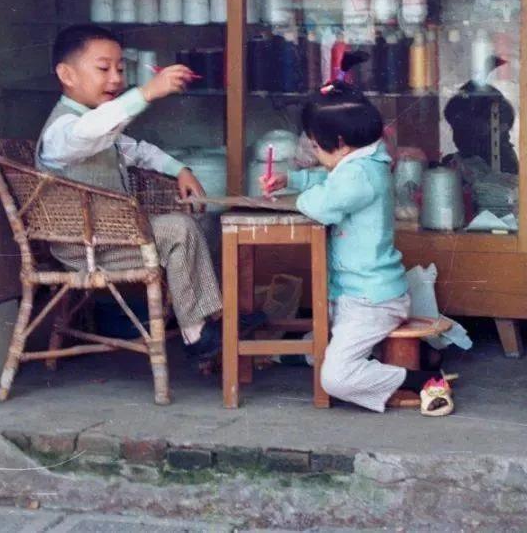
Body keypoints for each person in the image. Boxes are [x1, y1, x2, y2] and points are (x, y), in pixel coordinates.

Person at [37, 24, 260, 361]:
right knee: (178, 228)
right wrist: (146, 93)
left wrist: (179, 169)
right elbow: (90, 131)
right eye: (103, 68)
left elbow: (137, 150)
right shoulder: (64, 130)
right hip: (85, 245)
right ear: (66, 74)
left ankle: (210, 319)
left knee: (196, 222)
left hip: (110, 237)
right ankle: (197, 333)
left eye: (120, 69)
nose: (115, 78)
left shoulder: (96, 124)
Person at [262, 82, 452, 414]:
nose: (315, 155)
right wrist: (290, 180)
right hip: (362, 295)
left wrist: (299, 196)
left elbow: (321, 203)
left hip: (370, 302)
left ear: (339, 143)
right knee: (319, 349)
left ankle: (420, 379)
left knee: (335, 378)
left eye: (316, 147)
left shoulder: (358, 176)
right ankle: (413, 357)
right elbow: (329, 181)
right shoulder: (364, 162)